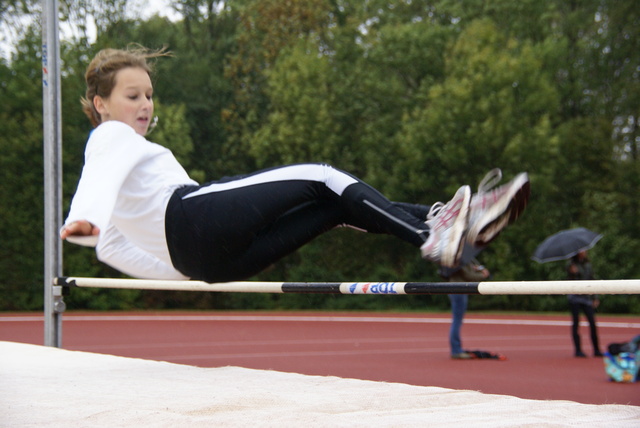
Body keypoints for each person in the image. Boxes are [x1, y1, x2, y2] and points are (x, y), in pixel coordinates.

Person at [60, 46, 530, 283]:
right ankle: (436, 235)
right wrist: (83, 218)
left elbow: (110, 250)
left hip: (208, 264)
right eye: (132, 96)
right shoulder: (110, 134)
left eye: (149, 95)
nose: (144, 105)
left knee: (336, 208)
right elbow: (96, 187)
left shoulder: (126, 158)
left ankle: (448, 227)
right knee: (323, 176)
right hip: (191, 216)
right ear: (100, 103)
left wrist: (181, 274)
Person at [443, 260, 491, 359]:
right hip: (459, 289)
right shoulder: (460, 258)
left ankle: (456, 349)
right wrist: (483, 275)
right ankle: (456, 350)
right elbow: (468, 275)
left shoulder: (453, 257)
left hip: (454, 288)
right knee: (457, 321)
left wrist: (476, 269)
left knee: (457, 320)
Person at [566, 250, 603, 357]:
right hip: (575, 298)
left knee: (592, 322)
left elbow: (592, 279)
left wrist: (595, 296)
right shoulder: (570, 264)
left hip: (586, 298)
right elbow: (569, 280)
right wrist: (573, 273)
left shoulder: (587, 264)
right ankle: (578, 350)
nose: (584, 252)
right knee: (576, 322)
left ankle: (596, 349)